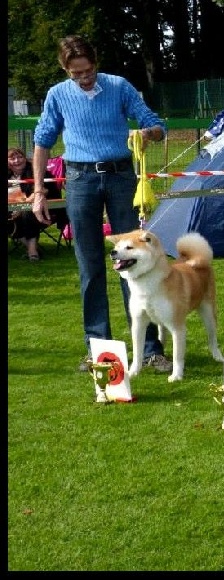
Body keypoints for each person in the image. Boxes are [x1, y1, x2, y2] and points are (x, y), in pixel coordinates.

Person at [31, 34, 172, 374]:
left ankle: (151, 349)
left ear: (96, 62)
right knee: (90, 265)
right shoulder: (57, 95)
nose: (84, 78)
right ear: (65, 70)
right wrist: (38, 190)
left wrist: (147, 133)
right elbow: (42, 141)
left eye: (89, 70)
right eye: (76, 73)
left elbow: (156, 125)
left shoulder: (119, 86)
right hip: (79, 180)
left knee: (138, 262)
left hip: (122, 176)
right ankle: (99, 349)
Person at [7, 147, 61, 261]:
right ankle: (31, 247)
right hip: (13, 209)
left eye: (20, 157)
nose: (17, 161)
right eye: (12, 158)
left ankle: (32, 252)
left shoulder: (36, 171)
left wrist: (22, 206)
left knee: (27, 213)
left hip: (46, 209)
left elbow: (43, 191)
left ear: (25, 158)